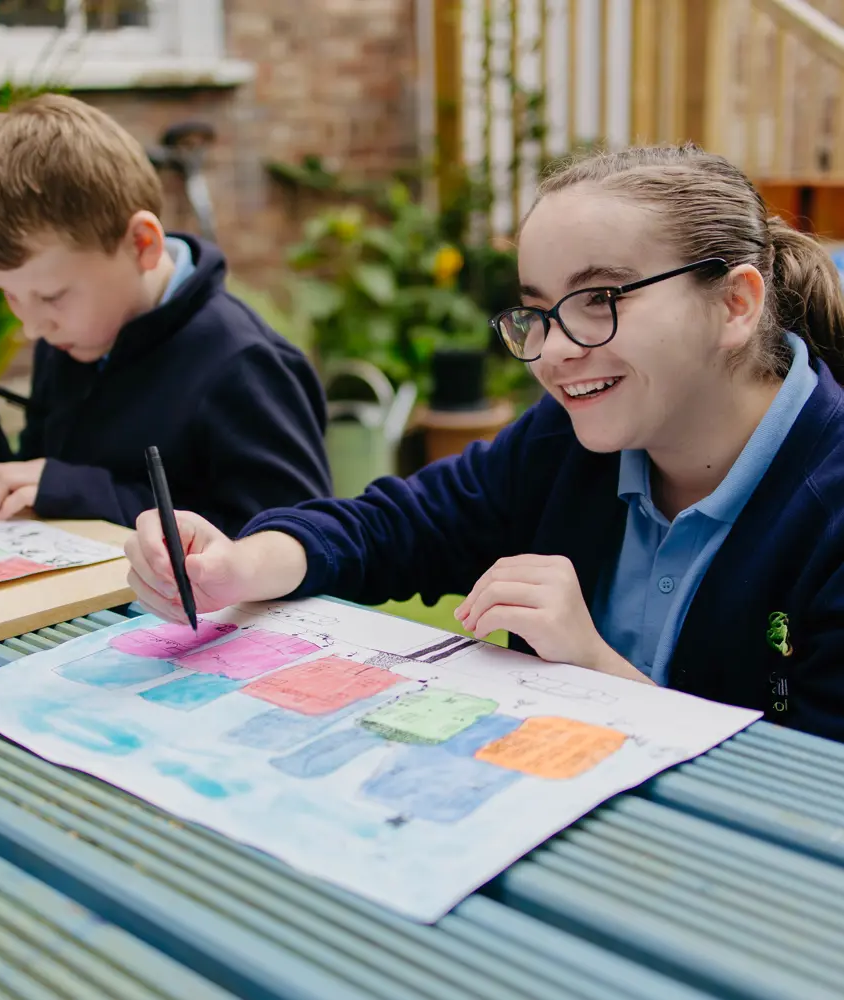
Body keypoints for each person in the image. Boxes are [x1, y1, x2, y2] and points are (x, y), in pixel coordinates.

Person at [124, 144, 844, 742]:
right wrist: (237, 566)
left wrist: (592, 665)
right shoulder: (563, 443)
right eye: (538, 311)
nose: (555, 350)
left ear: (735, 305)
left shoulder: (828, 506)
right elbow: (397, 525)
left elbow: (811, 793)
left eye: (601, 299)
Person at [0, 94, 331, 533]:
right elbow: (34, 491)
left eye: (52, 296)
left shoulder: (244, 365)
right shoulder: (72, 338)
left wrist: (80, 491)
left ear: (142, 244)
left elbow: (293, 540)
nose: (33, 327)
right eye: (9, 296)